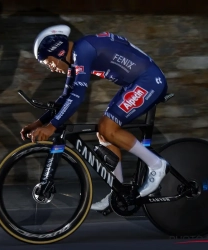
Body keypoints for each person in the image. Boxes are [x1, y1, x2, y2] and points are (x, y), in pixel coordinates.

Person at [20, 24, 169, 211]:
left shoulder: (82, 50)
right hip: (135, 83)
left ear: (58, 52)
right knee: (104, 133)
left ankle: (157, 165)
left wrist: (51, 127)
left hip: (148, 80)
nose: (51, 68)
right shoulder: (76, 59)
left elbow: (77, 96)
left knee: (108, 128)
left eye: (49, 62)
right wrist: (38, 123)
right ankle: (118, 191)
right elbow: (65, 97)